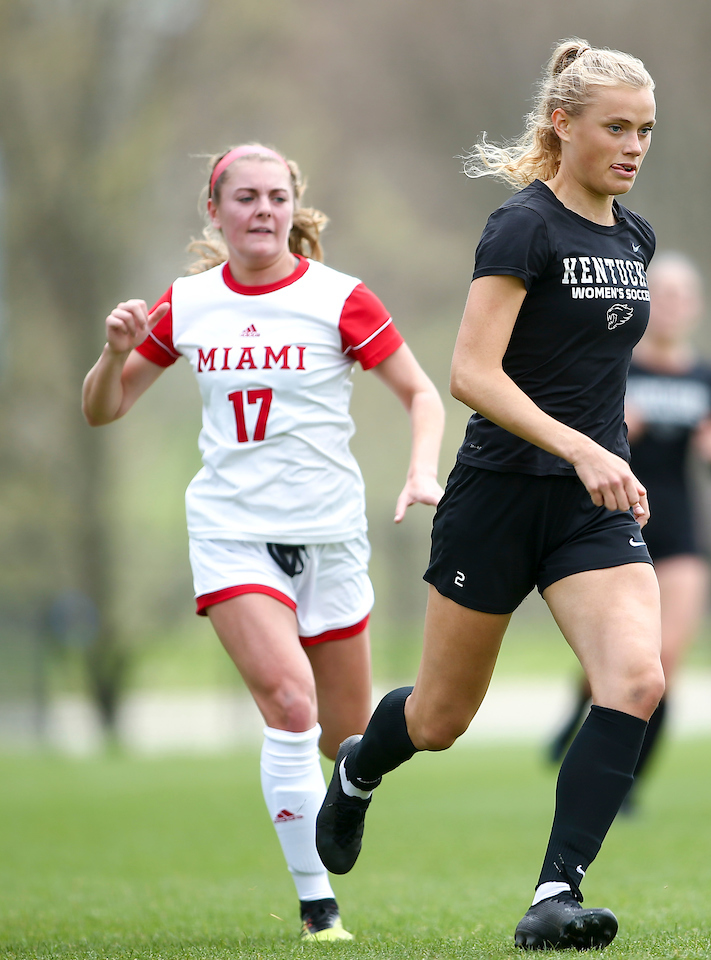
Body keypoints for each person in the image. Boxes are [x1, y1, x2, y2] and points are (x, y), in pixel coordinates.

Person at [314, 39, 661, 951]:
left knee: (636, 679)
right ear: (563, 123)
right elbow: (472, 372)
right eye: (615, 127)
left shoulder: (635, 238)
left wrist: (612, 458)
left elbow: (591, 367)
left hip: (590, 505)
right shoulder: (523, 227)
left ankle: (555, 894)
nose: (633, 146)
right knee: (438, 719)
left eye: (646, 130)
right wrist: (582, 447)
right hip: (501, 495)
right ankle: (357, 769)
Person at [81, 144, 445, 942]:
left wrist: (422, 470)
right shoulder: (185, 305)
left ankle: (349, 783)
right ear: (215, 211)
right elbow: (103, 410)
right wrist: (112, 357)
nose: (262, 211)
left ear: (293, 207)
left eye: (276, 197)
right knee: (289, 703)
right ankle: (320, 909)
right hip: (232, 531)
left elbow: (421, 392)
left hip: (332, 536)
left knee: (343, 739)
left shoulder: (340, 299)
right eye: (244, 197)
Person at [548, 251, 711, 806]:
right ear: (646, 302)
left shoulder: (709, 378)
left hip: (679, 532)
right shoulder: (619, 363)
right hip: (616, 521)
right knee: (617, 659)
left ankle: (623, 783)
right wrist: (620, 431)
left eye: (684, 297)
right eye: (665, 295)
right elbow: (581, 438)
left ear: (696, 308)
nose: (674, 307)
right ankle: (577, 712)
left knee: (663, 663)